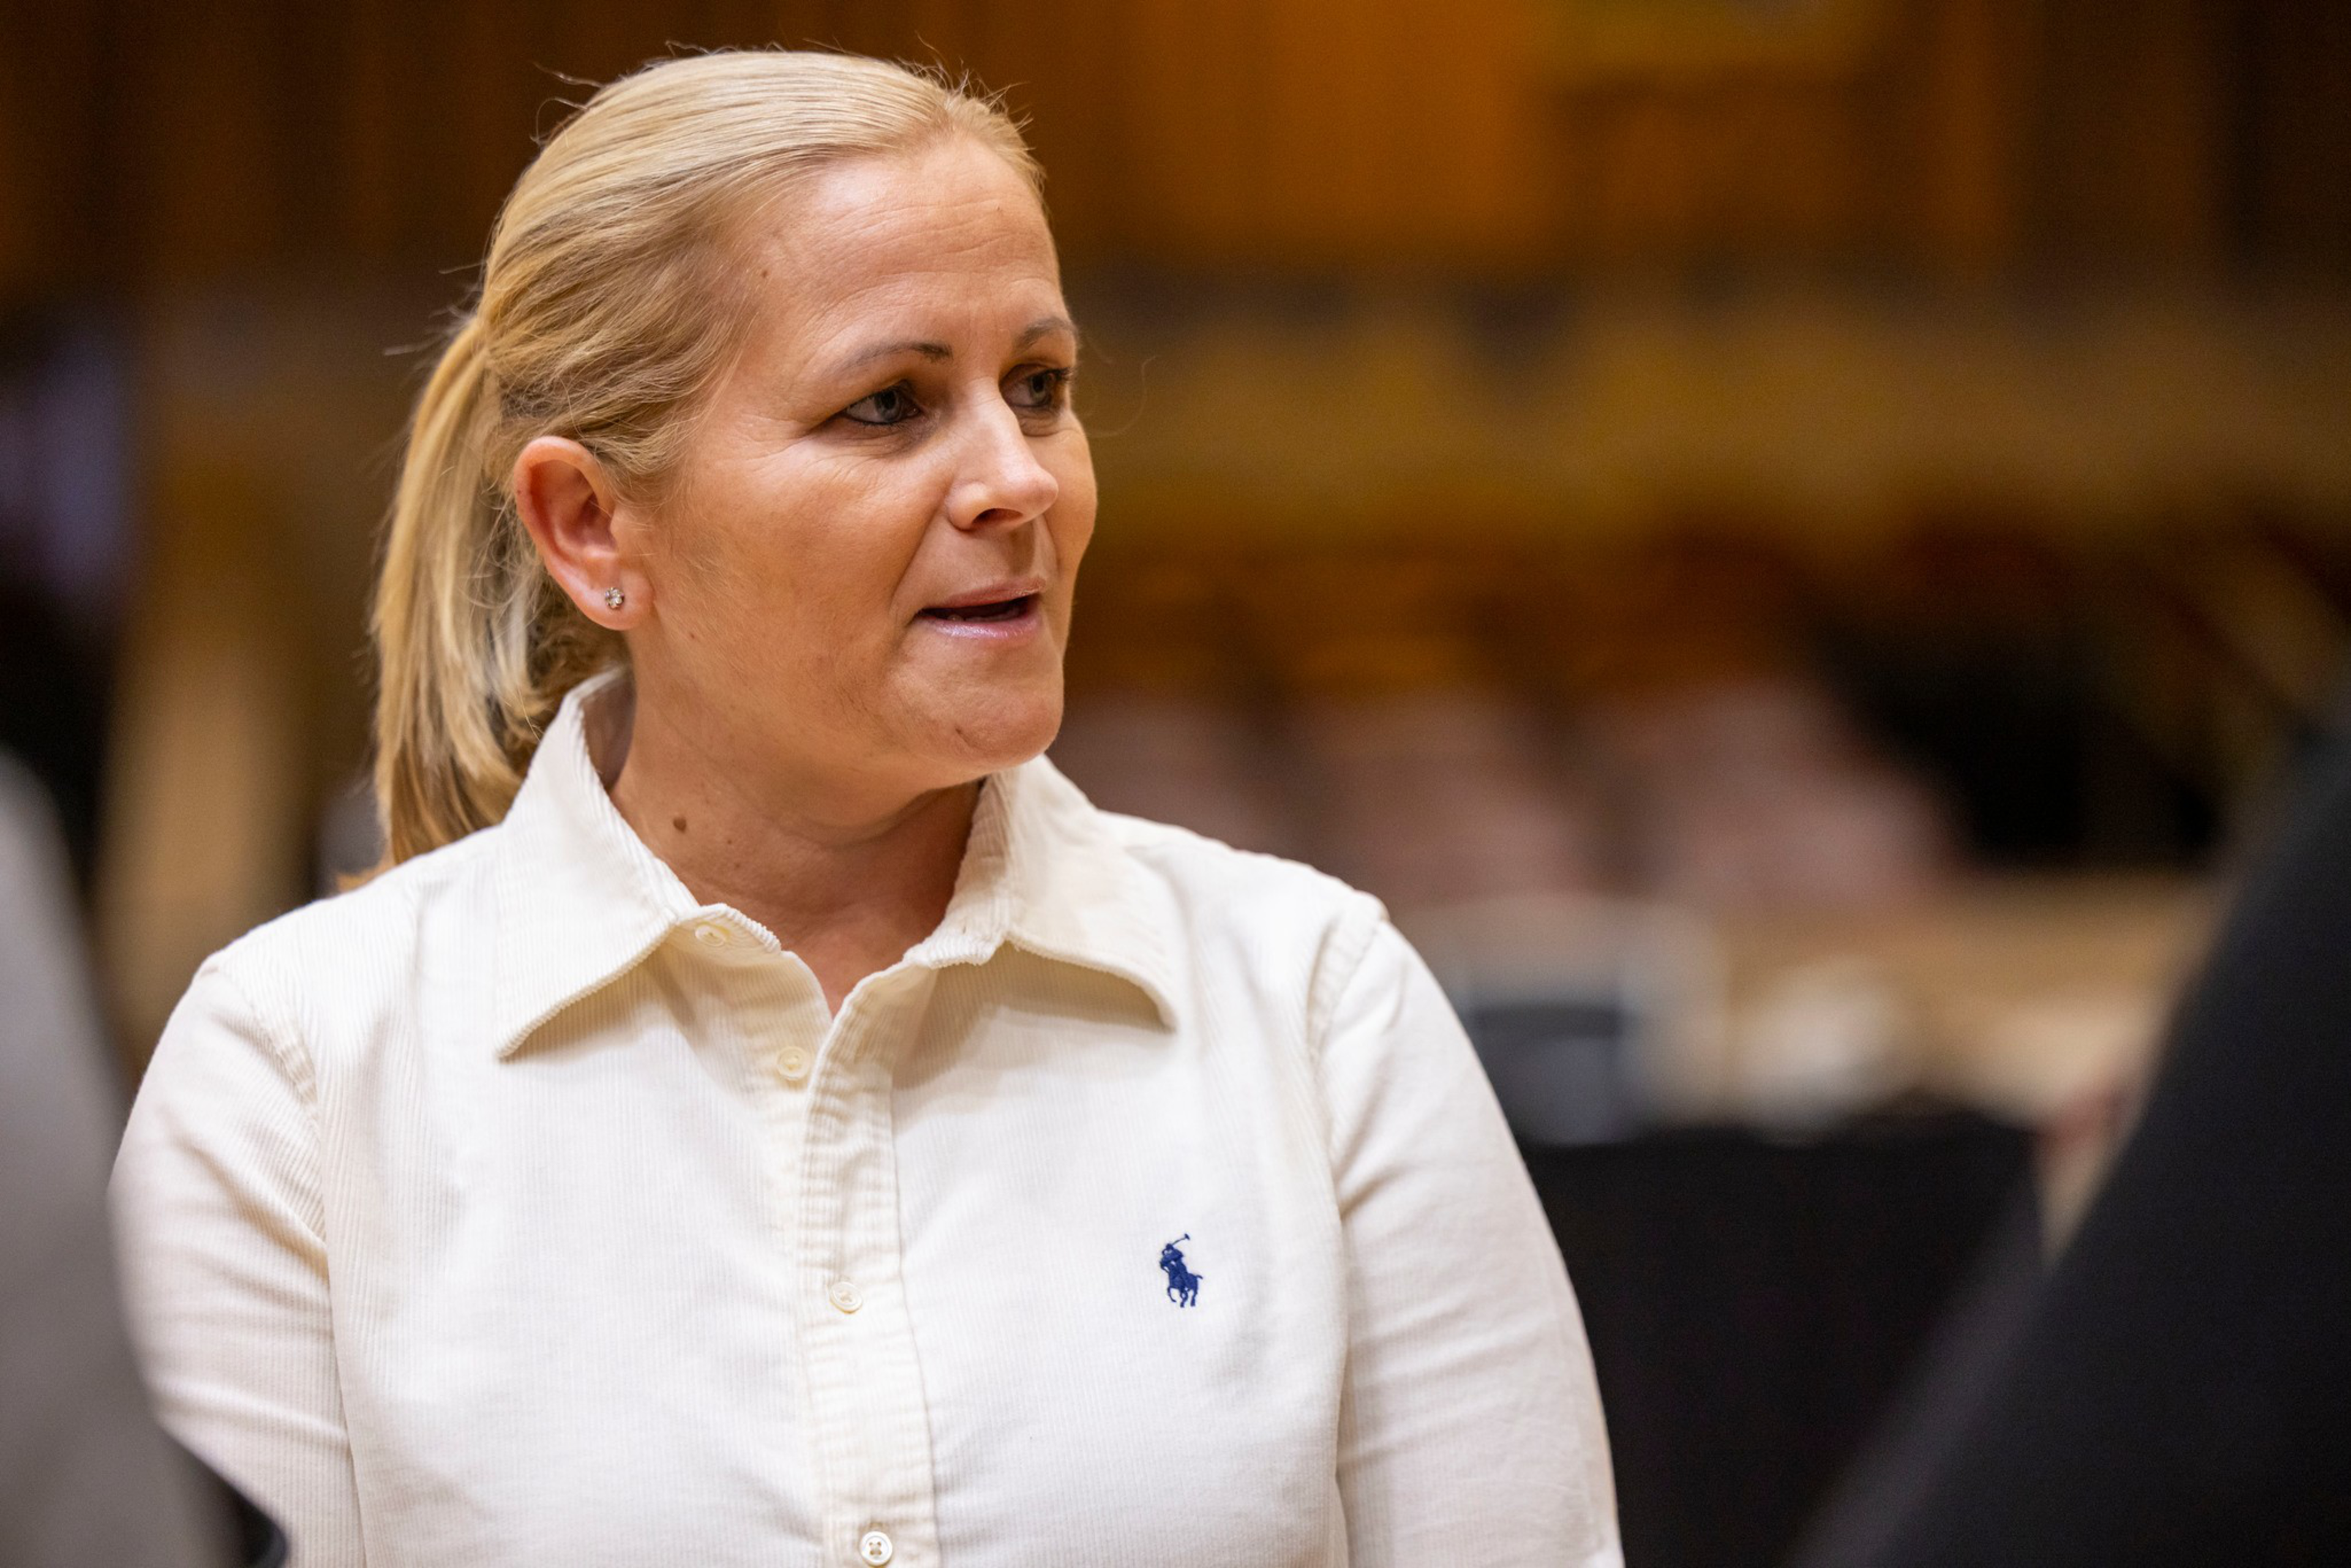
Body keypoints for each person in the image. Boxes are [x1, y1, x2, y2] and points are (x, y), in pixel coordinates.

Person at [109, 51, 1619, 1568]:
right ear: (589, 524)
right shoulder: (296, 1075)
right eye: (890, 405)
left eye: (1041, 387)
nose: (1020, 479)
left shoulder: (1315, 1008)